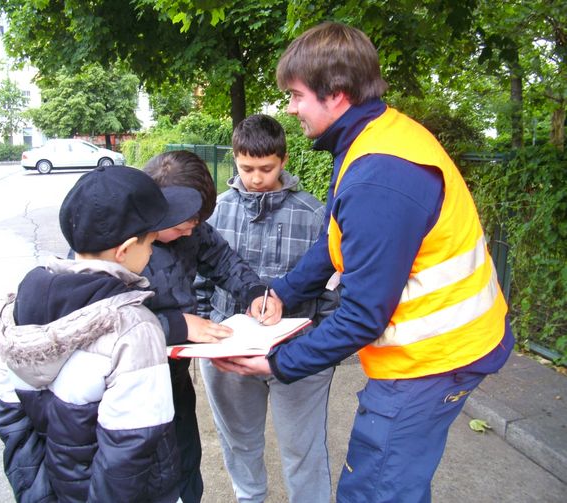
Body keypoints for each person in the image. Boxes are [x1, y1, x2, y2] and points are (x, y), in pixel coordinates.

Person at [216, 22, 514, 502]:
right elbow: (336, 241)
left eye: (295, 95)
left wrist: (276, 362)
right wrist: (283, 293)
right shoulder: (373, 137)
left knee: (375, 488)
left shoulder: (379, 176)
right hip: (443, 348)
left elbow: (361, 314)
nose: (290, 108)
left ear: (335, 94)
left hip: (434, 358)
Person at [0, 166, 203, 502]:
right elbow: (131, 451)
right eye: (150, 243)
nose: (151, 253)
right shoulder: (135, 328)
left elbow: (13, 421)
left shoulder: (17, 309)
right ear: (126, 249)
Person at [195, 114, 338, 502]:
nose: (256, 178)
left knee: (302, 452)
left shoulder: (315, 215)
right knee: (239, 444)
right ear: (235, 159)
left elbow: (331, 290)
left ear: (284, 160)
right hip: (228, 353)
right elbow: (200, 281)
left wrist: (320, 352)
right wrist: (207, 338)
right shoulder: (216, 212)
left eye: (266, 168)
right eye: (246, 168)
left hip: (298, 355)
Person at [140, 150, 282, 503]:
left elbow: (221, 258)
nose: (192, 230)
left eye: (197, 221)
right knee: (145, 475)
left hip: (174, 376)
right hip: (131, 385)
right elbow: (99, 325)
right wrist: (175, 325)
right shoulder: (117, 244)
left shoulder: (189, 228)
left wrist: (253, 291)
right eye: (182, 224)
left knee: (185, 463)